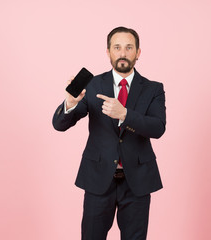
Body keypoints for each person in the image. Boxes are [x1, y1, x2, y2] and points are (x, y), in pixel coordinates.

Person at [52, 26, 166, 240]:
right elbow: (59, 124)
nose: (123, 53)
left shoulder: (153, 89)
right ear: (108, 52)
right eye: (117, 47)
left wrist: (125, 114)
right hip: (98, 179)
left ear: (138, 52)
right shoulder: (92, 84)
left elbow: (158, 128)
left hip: (137, 183)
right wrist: (70, 102)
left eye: (129, 47)